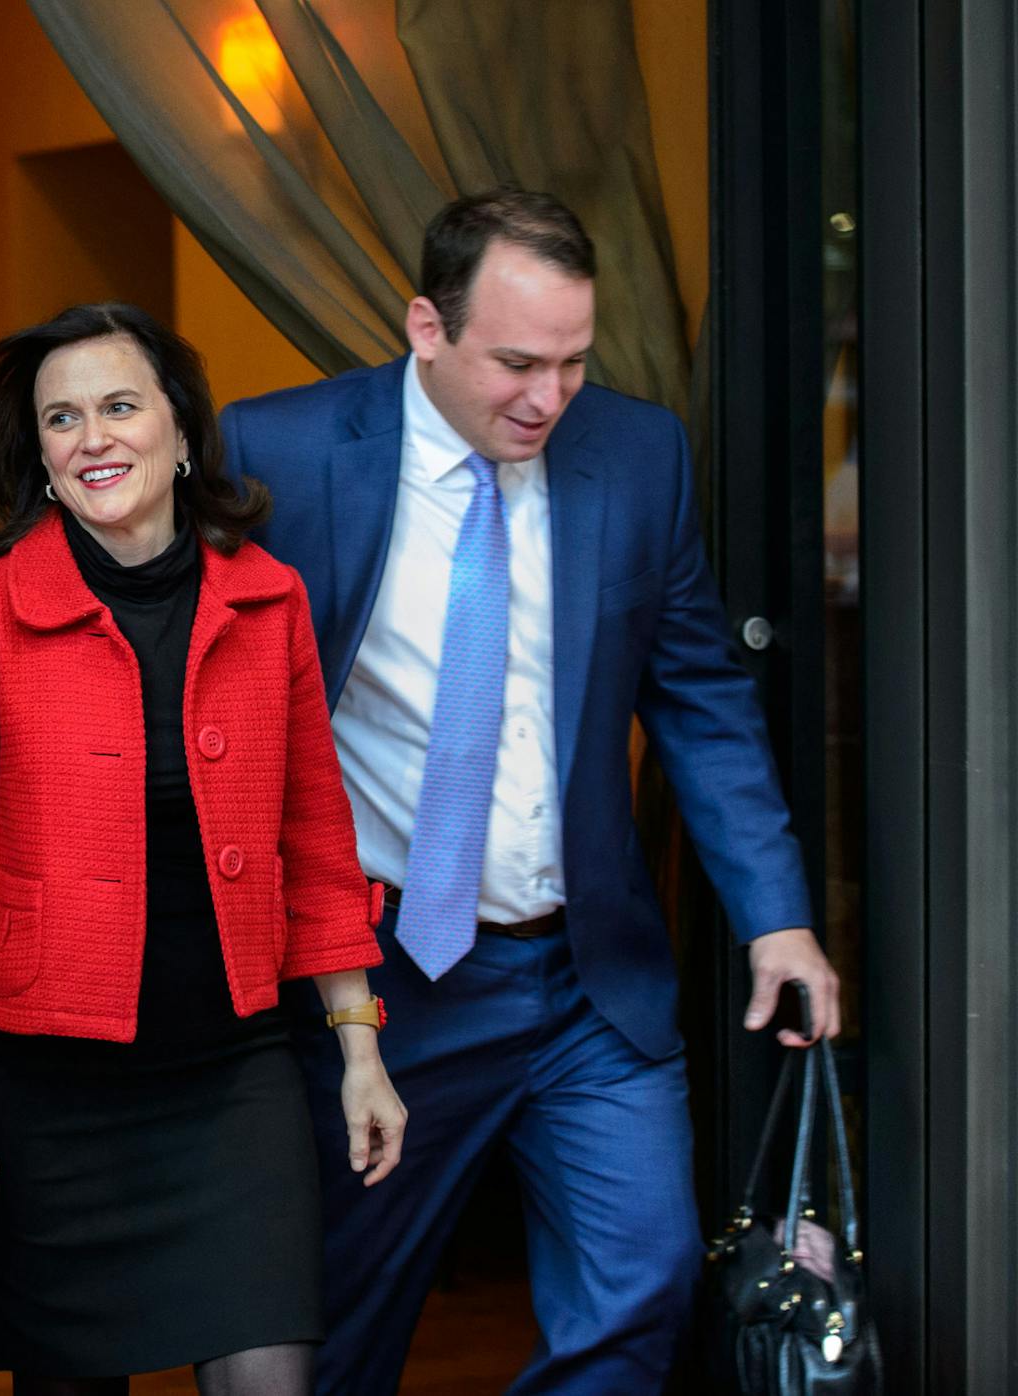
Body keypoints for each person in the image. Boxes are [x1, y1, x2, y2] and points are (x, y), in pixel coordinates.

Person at [222, 187, 843, 1394]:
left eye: (571, 361)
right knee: (342, 1330)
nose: (547, 398)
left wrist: (779, 917)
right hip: (382, 988)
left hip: (584, 982)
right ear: (426, 327)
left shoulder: (637, 451)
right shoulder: (285, 451)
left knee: (644, 1287)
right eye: (515, 361)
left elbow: (701, 702)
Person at [0, 302, 405, 1396]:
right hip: (44, 1094)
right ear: (42, 456)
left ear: (181, 430)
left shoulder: (271, 601)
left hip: (232, 1076)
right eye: (62, 419)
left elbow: (315, 843)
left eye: (119, 406)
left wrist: (359, 1049)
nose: (93, 437)